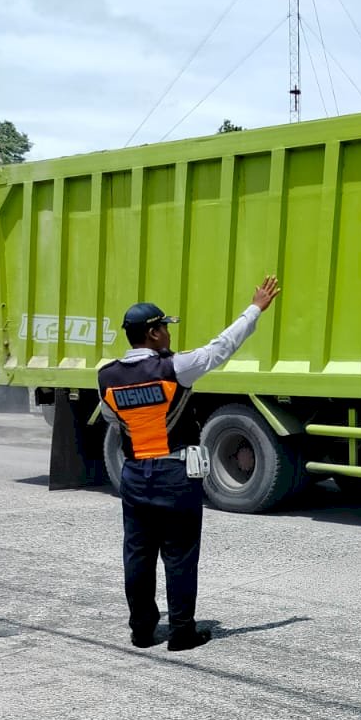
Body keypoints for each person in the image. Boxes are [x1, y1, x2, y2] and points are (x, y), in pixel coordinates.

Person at [98, 279, 280, 651]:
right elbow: (221, 347)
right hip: (174, 474)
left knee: (138, 553)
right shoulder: (175, 368)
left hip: (134, 474)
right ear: (152, 333)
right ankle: (181, 632)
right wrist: (255, 309)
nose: (167, 333)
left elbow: (112, 419)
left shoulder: (107, 376)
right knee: (179, 555)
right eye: (164, 327)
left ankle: (143, 631)